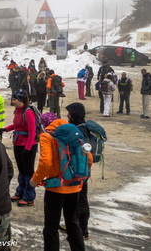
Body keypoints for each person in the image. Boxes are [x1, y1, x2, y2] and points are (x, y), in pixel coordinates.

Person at [30, 114, 91, 251]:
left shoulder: (47, 136)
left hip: (55, 188)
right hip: (74, 186)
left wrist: (35, 180)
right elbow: (89, 157)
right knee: (73, 223)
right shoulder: (74, 133)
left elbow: (46, 162)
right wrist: (80, 177)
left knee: (51, 225)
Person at [0, 89, 38, 207]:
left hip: (27, 144)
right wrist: (6, 129)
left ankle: (29, 197)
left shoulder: (28, 112)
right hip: (18, 143)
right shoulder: (18, 111)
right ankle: (20, 192)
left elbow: (32, 131)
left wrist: (29, 147)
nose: (12, 101)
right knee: (21, 169)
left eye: (14, 99)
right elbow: (17, 125)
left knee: (28, 171)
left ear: (21, 100)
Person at [65, 102, 92, 240]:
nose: (67, 115)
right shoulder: (81, 127)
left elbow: (84, 153)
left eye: (69, 113)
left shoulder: (80, 131)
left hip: (80, 171)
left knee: (80, 200)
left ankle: (82, 230)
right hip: (82, 170)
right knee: (80, 199)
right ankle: (80, 229)